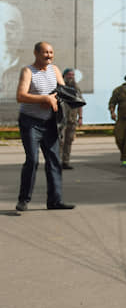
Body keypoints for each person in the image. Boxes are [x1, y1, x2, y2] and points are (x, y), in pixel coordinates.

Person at [15, 41, 74, 211]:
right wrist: (44, 99)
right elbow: (21, 96)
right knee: (32, 160)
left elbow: (62, 91)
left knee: (54, 161)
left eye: (51, 52)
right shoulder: (28, 71)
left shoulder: (54, 70)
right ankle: (23, 200)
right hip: (30, 122)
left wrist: (54, 98)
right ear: (36, 53)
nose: (49, 55)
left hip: (50, 122)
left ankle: (55, 201)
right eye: (45, 52)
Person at [57, 68, 83, 170]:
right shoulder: (59, 87)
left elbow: (80, 104)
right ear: (64, 76)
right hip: (60, 120)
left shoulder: (76, 89)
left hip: (72, 120)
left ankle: (65, 162)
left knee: (69, 141)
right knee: (60, 142)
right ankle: (56, 162)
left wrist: (80, 117)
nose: (71, 77)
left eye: (72, 75)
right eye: (69, 74)